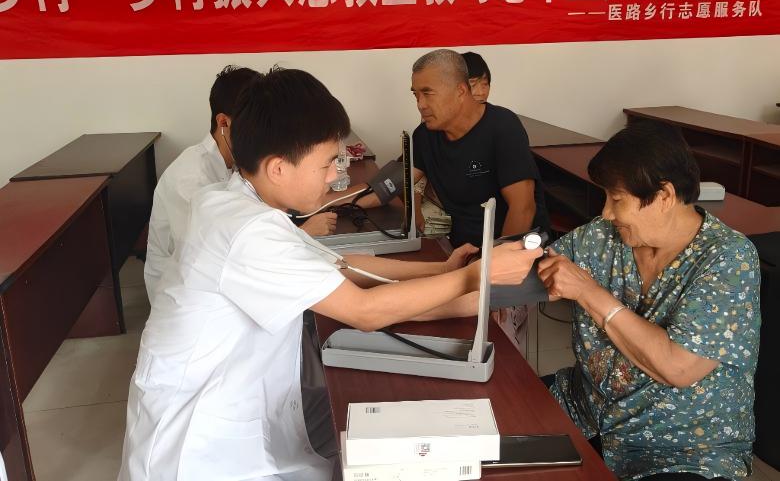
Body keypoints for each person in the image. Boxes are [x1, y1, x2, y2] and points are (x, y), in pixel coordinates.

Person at [118, 67, 542, 481]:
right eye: (325, 164)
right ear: (278, 168)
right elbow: (364, 311)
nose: (335, 176)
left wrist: (441, 269)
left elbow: (341, 265)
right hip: (198, 450)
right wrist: (471, 278)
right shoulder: (247, 230)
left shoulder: (241, 201)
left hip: (234, 411)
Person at [537, 120, 761, 481]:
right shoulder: (603, 236)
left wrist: (588, 292)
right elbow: (527, 274)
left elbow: (678, 367)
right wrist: (454, 279)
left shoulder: (729, 258)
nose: (606, 212)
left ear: (664, 196)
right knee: (493, 420)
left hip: (682, 451)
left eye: (617, 199)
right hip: (587, 413)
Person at [144, 65, 337, 304]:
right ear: (223, 122)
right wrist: (303, 232)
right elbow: (213, 254)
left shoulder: (239, 163)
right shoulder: (190, 179)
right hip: (187, 292)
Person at [409, 48, 549, 247]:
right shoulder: (424, 135)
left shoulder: (503, 127)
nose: (420, 104)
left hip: (515, 251)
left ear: (460, 91)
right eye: (416, 95)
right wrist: (356, 198)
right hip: (463, 251)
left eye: (427, 93)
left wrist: (495, 262)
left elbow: (523, 208)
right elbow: (400, 180)